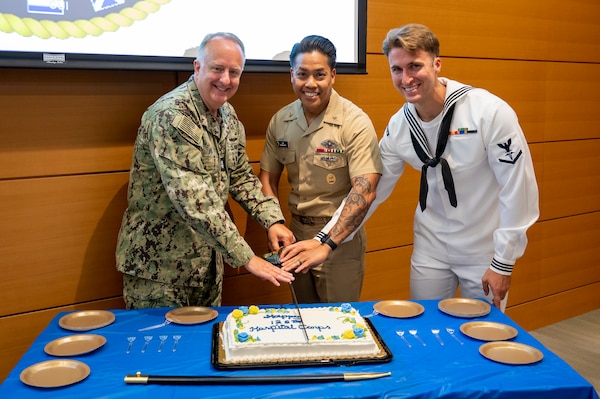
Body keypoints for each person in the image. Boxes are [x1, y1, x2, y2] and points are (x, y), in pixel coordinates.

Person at [280, 24, 539, 310]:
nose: (406, 78)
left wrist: (503, 262)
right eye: (397, 69)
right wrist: (324, 240)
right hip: (431, 248)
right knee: (425, 330)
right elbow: (369, 191)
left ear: (437, 64)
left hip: (483, 249)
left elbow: (519, 189)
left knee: (481, 333)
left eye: (415, 66)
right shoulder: (400, 125)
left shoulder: (488, 112)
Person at [116, 32, 294, 309]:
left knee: (203, 350)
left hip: (207, 265)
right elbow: (196, 202)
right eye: (217, 69)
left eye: (234, 72)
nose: (225, 80)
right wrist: (247, 257)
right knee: (164, 350)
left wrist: (273, 220)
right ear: (198, 67)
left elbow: (241, 176)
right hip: (161, 273)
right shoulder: (172, 116)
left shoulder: (227, 115)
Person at [258, 35, 382, 303]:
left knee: (338, 324)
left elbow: (365, 190)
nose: (310, 84)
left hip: (340, 241)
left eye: (319, 75)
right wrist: (274, 222)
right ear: (292, 74)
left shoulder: (355, 122)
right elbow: (267, 177)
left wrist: (327, 243)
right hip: (294, 236)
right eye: (302, 74)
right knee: (304, 320)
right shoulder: (281, 120)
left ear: (333, 75)